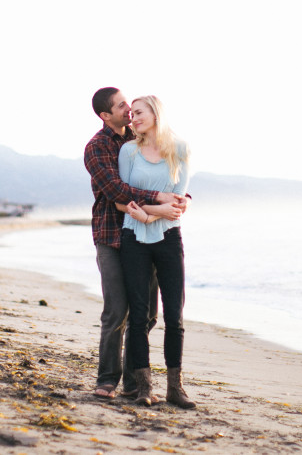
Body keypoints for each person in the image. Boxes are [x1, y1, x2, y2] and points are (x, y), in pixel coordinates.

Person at [84, 87, 186, 400]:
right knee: (117, 311)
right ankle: (107, 379)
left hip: (145, 236)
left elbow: (167, 178)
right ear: (105, 115)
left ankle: (134, 382)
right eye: (121, 105)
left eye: (130, 103)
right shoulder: (97, 147)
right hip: (111, 236)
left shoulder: (140, 137)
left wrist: (180, 200)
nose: (129, 109)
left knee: (148, 314)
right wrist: (159, 200)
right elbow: (117, 190)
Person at [118, 95, 195, 409]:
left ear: (155, 113)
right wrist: (153, 212)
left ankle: (175, 389)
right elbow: (122, 201)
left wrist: (151, 215)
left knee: (174, 316)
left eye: (138, 112)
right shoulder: (128, 151)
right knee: (138, 317)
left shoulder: (180, 149)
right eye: (131, 113)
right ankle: (143, 389)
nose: (133, 118)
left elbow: (178, 205)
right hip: (133, 238)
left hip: (168, 239)